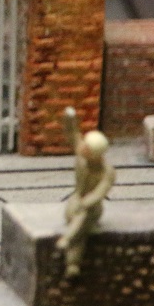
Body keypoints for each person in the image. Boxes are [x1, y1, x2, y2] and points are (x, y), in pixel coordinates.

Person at [56, 106, 115, 279]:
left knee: (83, 218)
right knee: (81, 222)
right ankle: (72, 261)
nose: (82, 148)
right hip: (76, 201)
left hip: (92, 208)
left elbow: (99, 193)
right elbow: (72, 133)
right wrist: (70, 117)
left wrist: (86, 203)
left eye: (87, 148)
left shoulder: (107, 172)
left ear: (95, 154)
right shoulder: (82, 157)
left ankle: (70, 252)